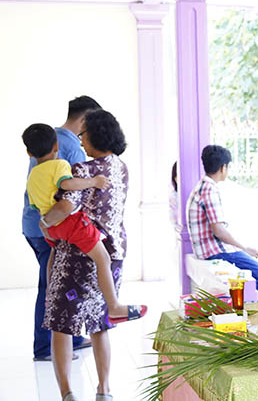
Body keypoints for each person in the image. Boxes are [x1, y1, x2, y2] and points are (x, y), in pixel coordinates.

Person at [39, 110, 132, 401]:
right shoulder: (121, 167)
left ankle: (67, 393)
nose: (81, 141)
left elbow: (66, 207)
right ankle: (103, 390)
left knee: (60, 324)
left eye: (83, 135)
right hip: (113, 252)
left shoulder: (81, 170)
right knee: (99, 322)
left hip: (76, 255)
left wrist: (45, 221)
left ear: (94, 135)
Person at [22, 123, 146, 324]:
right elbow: (67, 186)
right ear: (56, 146)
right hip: (71, 222)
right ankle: (114, 306)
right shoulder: (62, 165)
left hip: (52, 225)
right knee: (103, 259)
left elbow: (35, 204)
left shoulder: (32, 175)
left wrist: (45, 223)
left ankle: (48, 297)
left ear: (29, 152)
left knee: (51, 258)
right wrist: (93, 182)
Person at [22, 96, 100, 362]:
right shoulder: (71, 148)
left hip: (34, 223)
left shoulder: (49, 138)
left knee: (59, 280)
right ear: (85, 119)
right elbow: (73, 193)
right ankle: (45, 347)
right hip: (52, 225)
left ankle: (73, 337)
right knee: (53, 285)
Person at [186, 145, 258, 300]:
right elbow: (218, 229)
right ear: (223, 167)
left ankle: (244, 310)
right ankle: (248, 314)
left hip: (211, 250)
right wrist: (245, 249)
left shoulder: (202, 187)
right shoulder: (209, 189)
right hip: (215, 251)